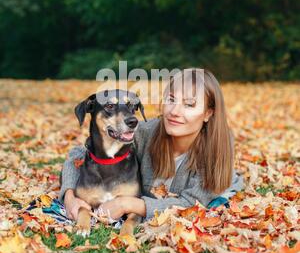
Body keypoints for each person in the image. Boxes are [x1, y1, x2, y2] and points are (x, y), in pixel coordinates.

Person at [59, 68, 244, 223]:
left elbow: (192, 205)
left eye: (189, 104)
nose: (175, 111)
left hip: (219, 186)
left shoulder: (217, 147)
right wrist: (69, 198)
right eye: (171, 100)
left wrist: (128, 204)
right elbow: (78, 155)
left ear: (208, 114)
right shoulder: (147, 132)